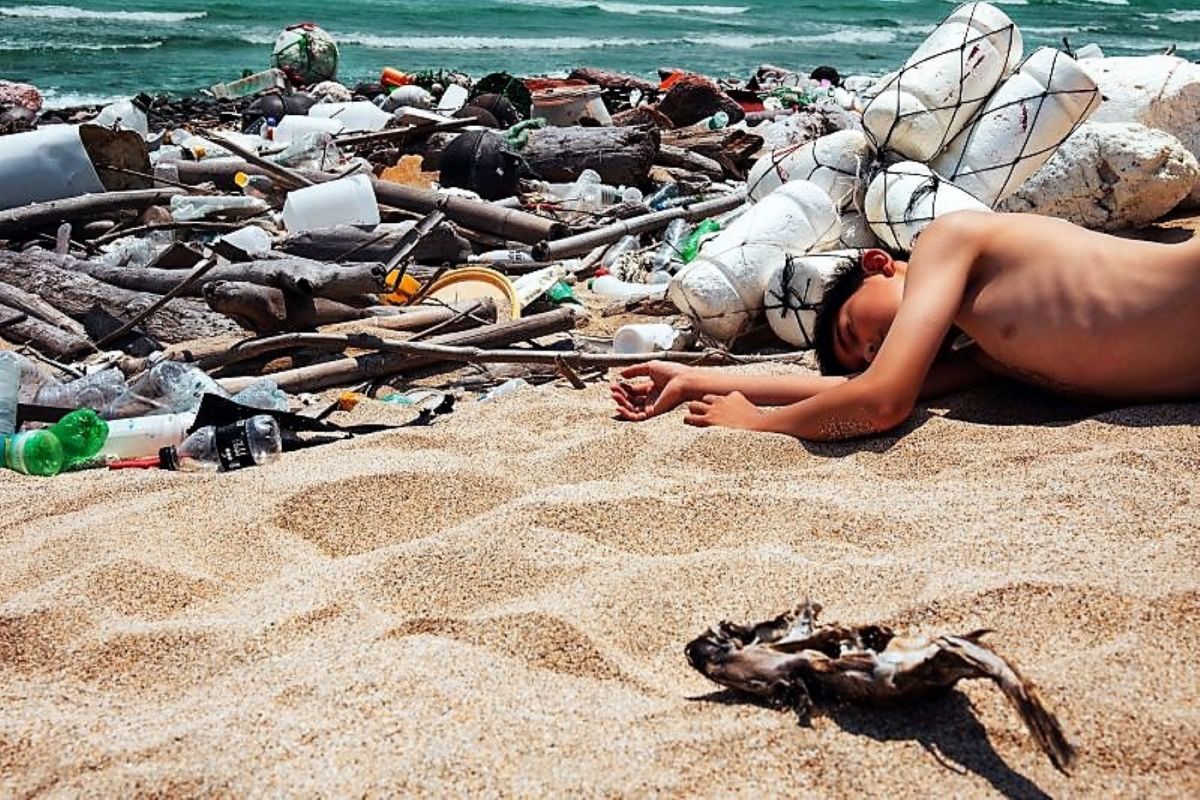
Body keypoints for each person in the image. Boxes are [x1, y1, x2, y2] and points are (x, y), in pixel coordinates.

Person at [611, 210, 1200, 441]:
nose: (871, 351)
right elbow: (856, 390)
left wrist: (761, 424)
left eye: (850, 333)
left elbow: (881, 403)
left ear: (877, 264)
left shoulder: (949, 241)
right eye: (866, 356)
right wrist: (693, 379)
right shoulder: (987, 353)